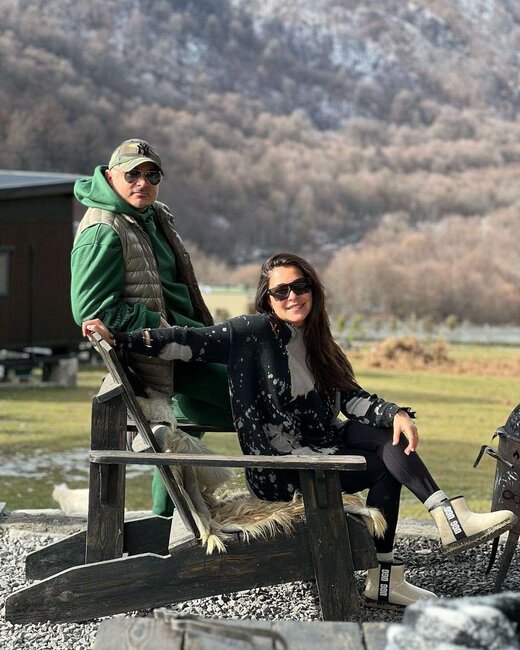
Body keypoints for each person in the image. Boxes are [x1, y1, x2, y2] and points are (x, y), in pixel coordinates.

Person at [82, 252, 517, 608]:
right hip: (283, 471)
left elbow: (350, 398)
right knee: (387, 458)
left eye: (300, 286)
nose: (292, 296)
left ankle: (412, 553)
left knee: (389, 441)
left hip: (324, 452)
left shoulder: (320, 342)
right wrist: (119, 337)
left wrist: (394, 413)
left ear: (313, 289)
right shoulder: (250, 334)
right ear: (267, 298)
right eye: (281, 291)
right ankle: (423, 543)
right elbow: (186, 342)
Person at [71, 138, 233, 515]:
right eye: (132, 174)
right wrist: (153, 324)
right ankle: (294, 495)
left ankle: (165, 522)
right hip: (159, 354)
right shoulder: (102, 230)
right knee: (260, 399)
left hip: (189, 341)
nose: (142, 182)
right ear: (111, 176)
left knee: (243, 395)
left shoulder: (155, 215)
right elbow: (90, 311)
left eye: (152, 175)